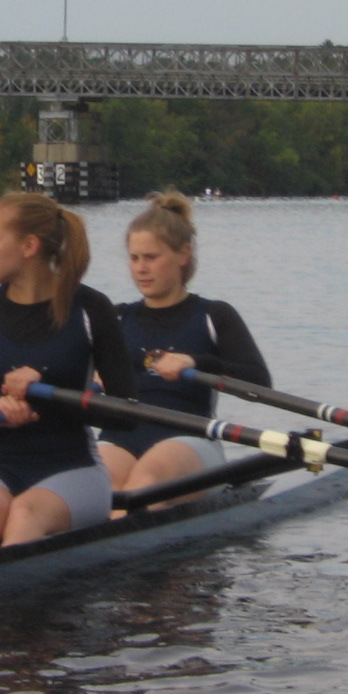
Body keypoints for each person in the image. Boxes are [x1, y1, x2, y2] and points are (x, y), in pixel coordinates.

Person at [0, 193, 136, 554]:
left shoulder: (91, 309)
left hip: (73, 469)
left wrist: (48, 392)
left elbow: (125, 413)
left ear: (29, 246)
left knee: (24, 514)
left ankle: (4, 602)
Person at [98, 190, 271, 504]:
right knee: (99, 488)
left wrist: (196, 363)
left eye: (151, 257)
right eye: (134, 258)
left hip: (190, 438)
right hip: (120, 437)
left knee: (147, 481)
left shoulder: (213, 315)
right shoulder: (115, 317)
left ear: (183, 254)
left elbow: (259, 382)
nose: (140, 268)